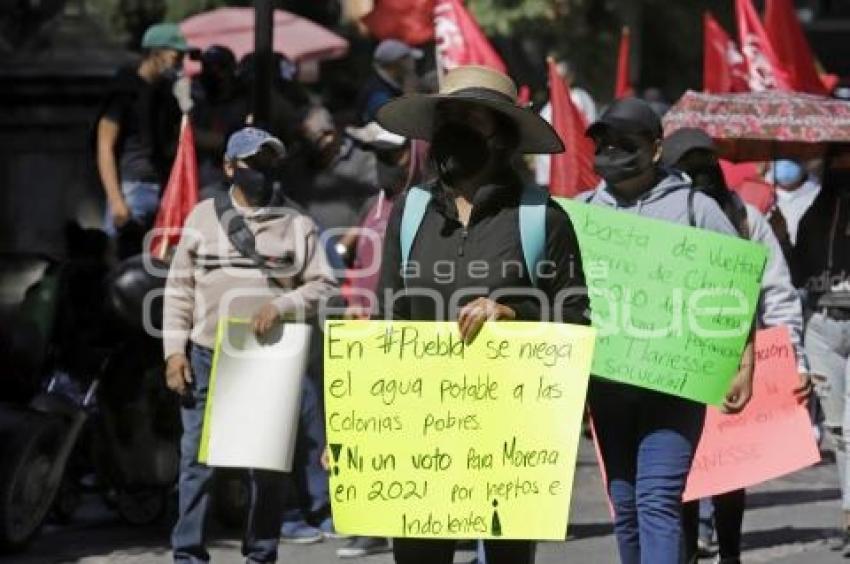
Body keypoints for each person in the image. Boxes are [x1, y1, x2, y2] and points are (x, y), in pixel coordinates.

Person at [375, 64, 590, 564]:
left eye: (471, 120)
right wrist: (353, 425)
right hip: (418, 430)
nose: (455, 132)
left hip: (510, 434)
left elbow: (576, 322)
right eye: (447, 118)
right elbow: (387, 320)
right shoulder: (410, 214)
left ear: (501, 137)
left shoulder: (543, 220)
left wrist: (513, 314)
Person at [579, 99, 755, 564]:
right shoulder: (581, 213)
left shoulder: (696, 207)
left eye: (626, 142)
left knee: (658, 500)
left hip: (672, 387)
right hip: (608, 389)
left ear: (656, 149)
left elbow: (738, 285)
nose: (613, 151)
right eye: (605, 142)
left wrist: (744, 362)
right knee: (627, 507)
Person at [162, 127, 338, 563]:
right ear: (229, 168)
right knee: (196, 462)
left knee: (268, 464)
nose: (259, 173)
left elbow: (324, 285)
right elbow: (178, 290)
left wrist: (283, 304)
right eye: (251, 164)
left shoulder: (297, 223)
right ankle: (188, 553)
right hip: (206, 353)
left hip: (270, 360)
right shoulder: (202, 217)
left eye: (266, 164)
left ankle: (261, 554)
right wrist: (173, 352)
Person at [663, 128, 812, 564]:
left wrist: (794, 362)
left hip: (735, 361)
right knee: (679, 470)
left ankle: (729, 553)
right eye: (688, 167)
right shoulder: (654, 221)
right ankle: (686, 551)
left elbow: (778, 292)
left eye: (705, 163)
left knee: (730, 469)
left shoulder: (746, 219)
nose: (700, 174)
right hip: (671, 358)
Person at [332, 122, 414, 559]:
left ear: (415, 153)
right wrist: (348, 301)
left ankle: (412, 520)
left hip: (406, 335)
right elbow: (353, 258)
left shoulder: (425, 205)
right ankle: (367, 523)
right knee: (363, 430)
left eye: (393, 154)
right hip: (363, 335)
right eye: (378, 155)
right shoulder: (373, 203)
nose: (385, 164)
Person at [791, 151, 850, 555]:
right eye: (837, 168)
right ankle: (848, 513)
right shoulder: (814, 215)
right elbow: (797, 273)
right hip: (821, 326)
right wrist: (781, 236)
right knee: (839, 431)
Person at [96, 23, 188, 255]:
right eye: (176, 55)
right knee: (125, 270)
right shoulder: (125, 91)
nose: (180, 62)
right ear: (156, 54)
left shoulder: (166, 95)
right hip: (131, 190)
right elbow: (104, 145)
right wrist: (116, 201)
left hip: (162, 191)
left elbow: (178, 139)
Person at [191, 45, 249, 200]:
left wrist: (197, 137)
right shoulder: (198, 98)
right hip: (202, 180)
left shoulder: (242, 102)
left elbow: (233, 142)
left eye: (217, 68)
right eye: (207, 68)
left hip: (229, 181)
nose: (211, 74)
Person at [534, 58, 597, 187]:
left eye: (557, 78)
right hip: (548, 178)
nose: (550, 83)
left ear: (570, 78)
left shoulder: (579, 98)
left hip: (572, 177)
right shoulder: (548, 107)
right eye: (550, 78)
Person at [356, 39, 421, 124]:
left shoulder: (392, 81)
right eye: (408, 58)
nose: (412, 61)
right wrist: (411, 96)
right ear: (396, 63)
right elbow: (402, 123)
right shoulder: (379, 95)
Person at [768, 158, 822, 246]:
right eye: (781, 154)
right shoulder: (755, 192)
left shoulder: (820, 196)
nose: (786, 162)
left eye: (792, 156)